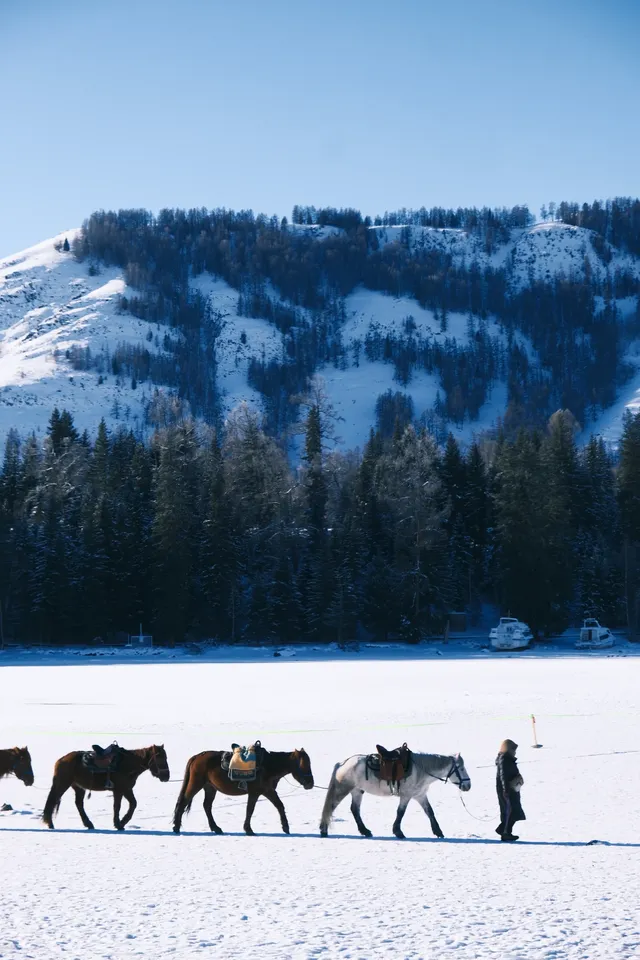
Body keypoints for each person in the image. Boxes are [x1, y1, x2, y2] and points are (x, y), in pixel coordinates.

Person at [495, 739, 525, 842]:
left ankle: (504, 831)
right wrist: (505, 789)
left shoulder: (507, 758)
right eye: (513, 749)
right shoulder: (504, 759)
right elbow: (503, 775)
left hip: (511, 789)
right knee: (510, 811)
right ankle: (505, 833)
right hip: (507, 790)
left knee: (514, 811)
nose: (515, 752)